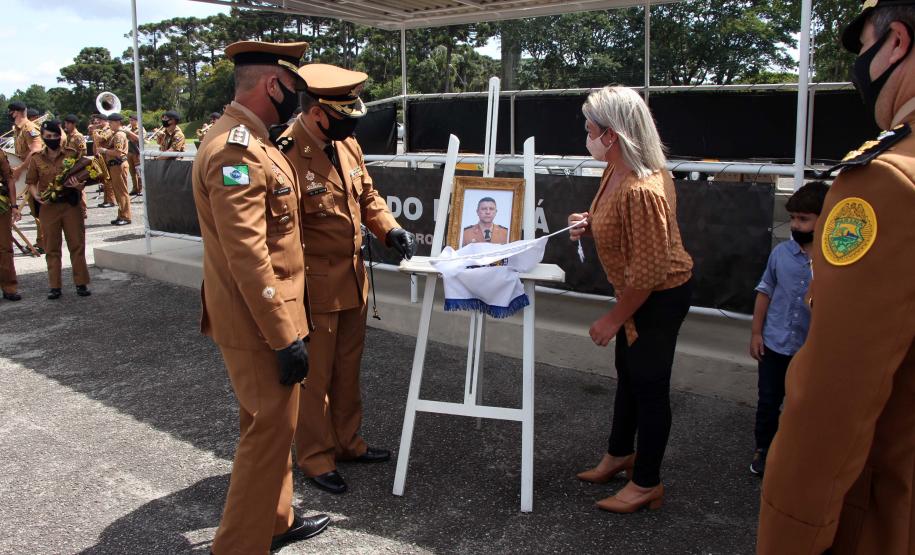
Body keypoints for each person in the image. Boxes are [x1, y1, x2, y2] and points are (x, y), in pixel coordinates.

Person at [757, 1, 915, 553]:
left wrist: (786, 535)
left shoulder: (887, 184)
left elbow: (832, 400)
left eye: (865, 47)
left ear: (896, 42)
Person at [192, 40, 330, 554]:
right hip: (259, 322)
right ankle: (237, 546)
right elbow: (247, 254)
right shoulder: (236, 150)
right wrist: (282, 334)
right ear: (273, 84)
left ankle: (276, 520)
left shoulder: (254, 140)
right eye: (293, 87)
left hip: (264, 316)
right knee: (267, 432)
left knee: (270, 425)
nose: (296, 98)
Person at [278, 63, 417, 495]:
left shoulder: (347, 145)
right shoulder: (284, 152)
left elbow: (369, 196)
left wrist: (388, 228)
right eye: (345, 114)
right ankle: (316, 457)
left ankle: (348, 442)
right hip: (315, 287)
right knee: (315, 377)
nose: (353, 122)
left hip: (354, 281)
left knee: (347, 370)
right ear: (319, 113)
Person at [568, 86, 693, 513]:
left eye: (590, 129)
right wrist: (590, 222)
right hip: (640, 293)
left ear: (612, 136)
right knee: (630, 374)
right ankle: (619, 453)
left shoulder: (642, 188)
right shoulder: (617, 169)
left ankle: (646, 482)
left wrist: (613, 319)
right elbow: (615, 219)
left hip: (657, 297)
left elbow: (651, 273)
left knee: (650, 385)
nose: (585, 136)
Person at [748, 181, 829, 476]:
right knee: (768, 400)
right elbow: (765, 292)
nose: (795, 224)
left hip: (810, 349)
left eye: (804, 219)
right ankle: (764, 449)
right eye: (793, 218)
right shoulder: (781, 254)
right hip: (775, 344)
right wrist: (757, 333)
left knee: (803, 403)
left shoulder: (832, 262)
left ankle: (800, 454)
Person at [24, 120, 90, 299]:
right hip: (48, 207)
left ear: (60, 136)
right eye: (47, 137)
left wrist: (79, 185)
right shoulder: (37, 158)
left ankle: (81, 283)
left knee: (77, 245)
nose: (51, 139)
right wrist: (36, 195)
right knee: (52, 248)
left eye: (54, 136)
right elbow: (30, 182)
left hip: (70, 205)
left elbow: (84, 176)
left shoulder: (71, 154)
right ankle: (55, 286)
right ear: (43, 138)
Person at [9, 101, 44, 253]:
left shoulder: (29, 128)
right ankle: (41, 242)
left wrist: (19, 169)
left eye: (11, 112)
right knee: (36, 212)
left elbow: (36, 150)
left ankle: (44, 243)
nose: (10, 115)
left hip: (35, 174)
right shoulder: (19, 129)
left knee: (40, 210)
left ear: (16, 112)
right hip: (29, 174)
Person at [97, 113, 131, 226]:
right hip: (115, 165)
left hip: (118, 164)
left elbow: (118, 153)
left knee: (122, 192)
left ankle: (125, 216)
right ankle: (121, 215)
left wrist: (104, 151)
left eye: (111, 122)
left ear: (117, 122)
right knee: (118, 192)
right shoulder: (116, 134)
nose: (109, 124)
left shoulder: (119, 135)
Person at [0, 149, 21, 301]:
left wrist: (14, 206)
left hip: (1, 205)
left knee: (4, 247)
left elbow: (9, 178)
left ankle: (9, 287)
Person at [89, 114, 115, 209]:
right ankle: (106, 200)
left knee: (108, 179)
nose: (98, 123)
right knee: (104, 180)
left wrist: (94, 131)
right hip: (100, 156)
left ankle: (111, 200)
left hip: (107, 156)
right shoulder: (100, 130)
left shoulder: (108, 129)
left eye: (99, 121)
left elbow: (101, 139)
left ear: (104, 121)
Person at [125, 114, 142, 196]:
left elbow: (139, 138)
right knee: (132, 173)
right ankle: (135, 188)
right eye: (130, 120)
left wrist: (129, 132)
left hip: (137, 153)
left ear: (136, 121)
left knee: (139, 172)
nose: (130, 122)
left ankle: (140, 189)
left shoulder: (140, 129)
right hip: (129, 153)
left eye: (132, 120)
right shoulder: (129, 129)